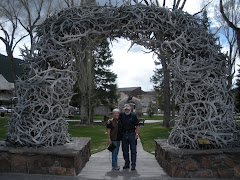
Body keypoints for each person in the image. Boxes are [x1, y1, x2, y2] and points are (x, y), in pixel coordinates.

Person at [120, 104, 140, 171]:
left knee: (133, 151)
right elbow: (116, 119)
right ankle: (127, 164)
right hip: (124, 135)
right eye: (126, 109)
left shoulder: (133, 115)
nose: (127, 110)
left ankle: (133, 165)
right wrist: (110, 121)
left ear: (130, 109)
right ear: (124, 109)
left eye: (128, 109)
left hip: (132, 134)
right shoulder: (121, 115)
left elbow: (137, 125)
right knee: (125, 150)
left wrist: (137, 134)